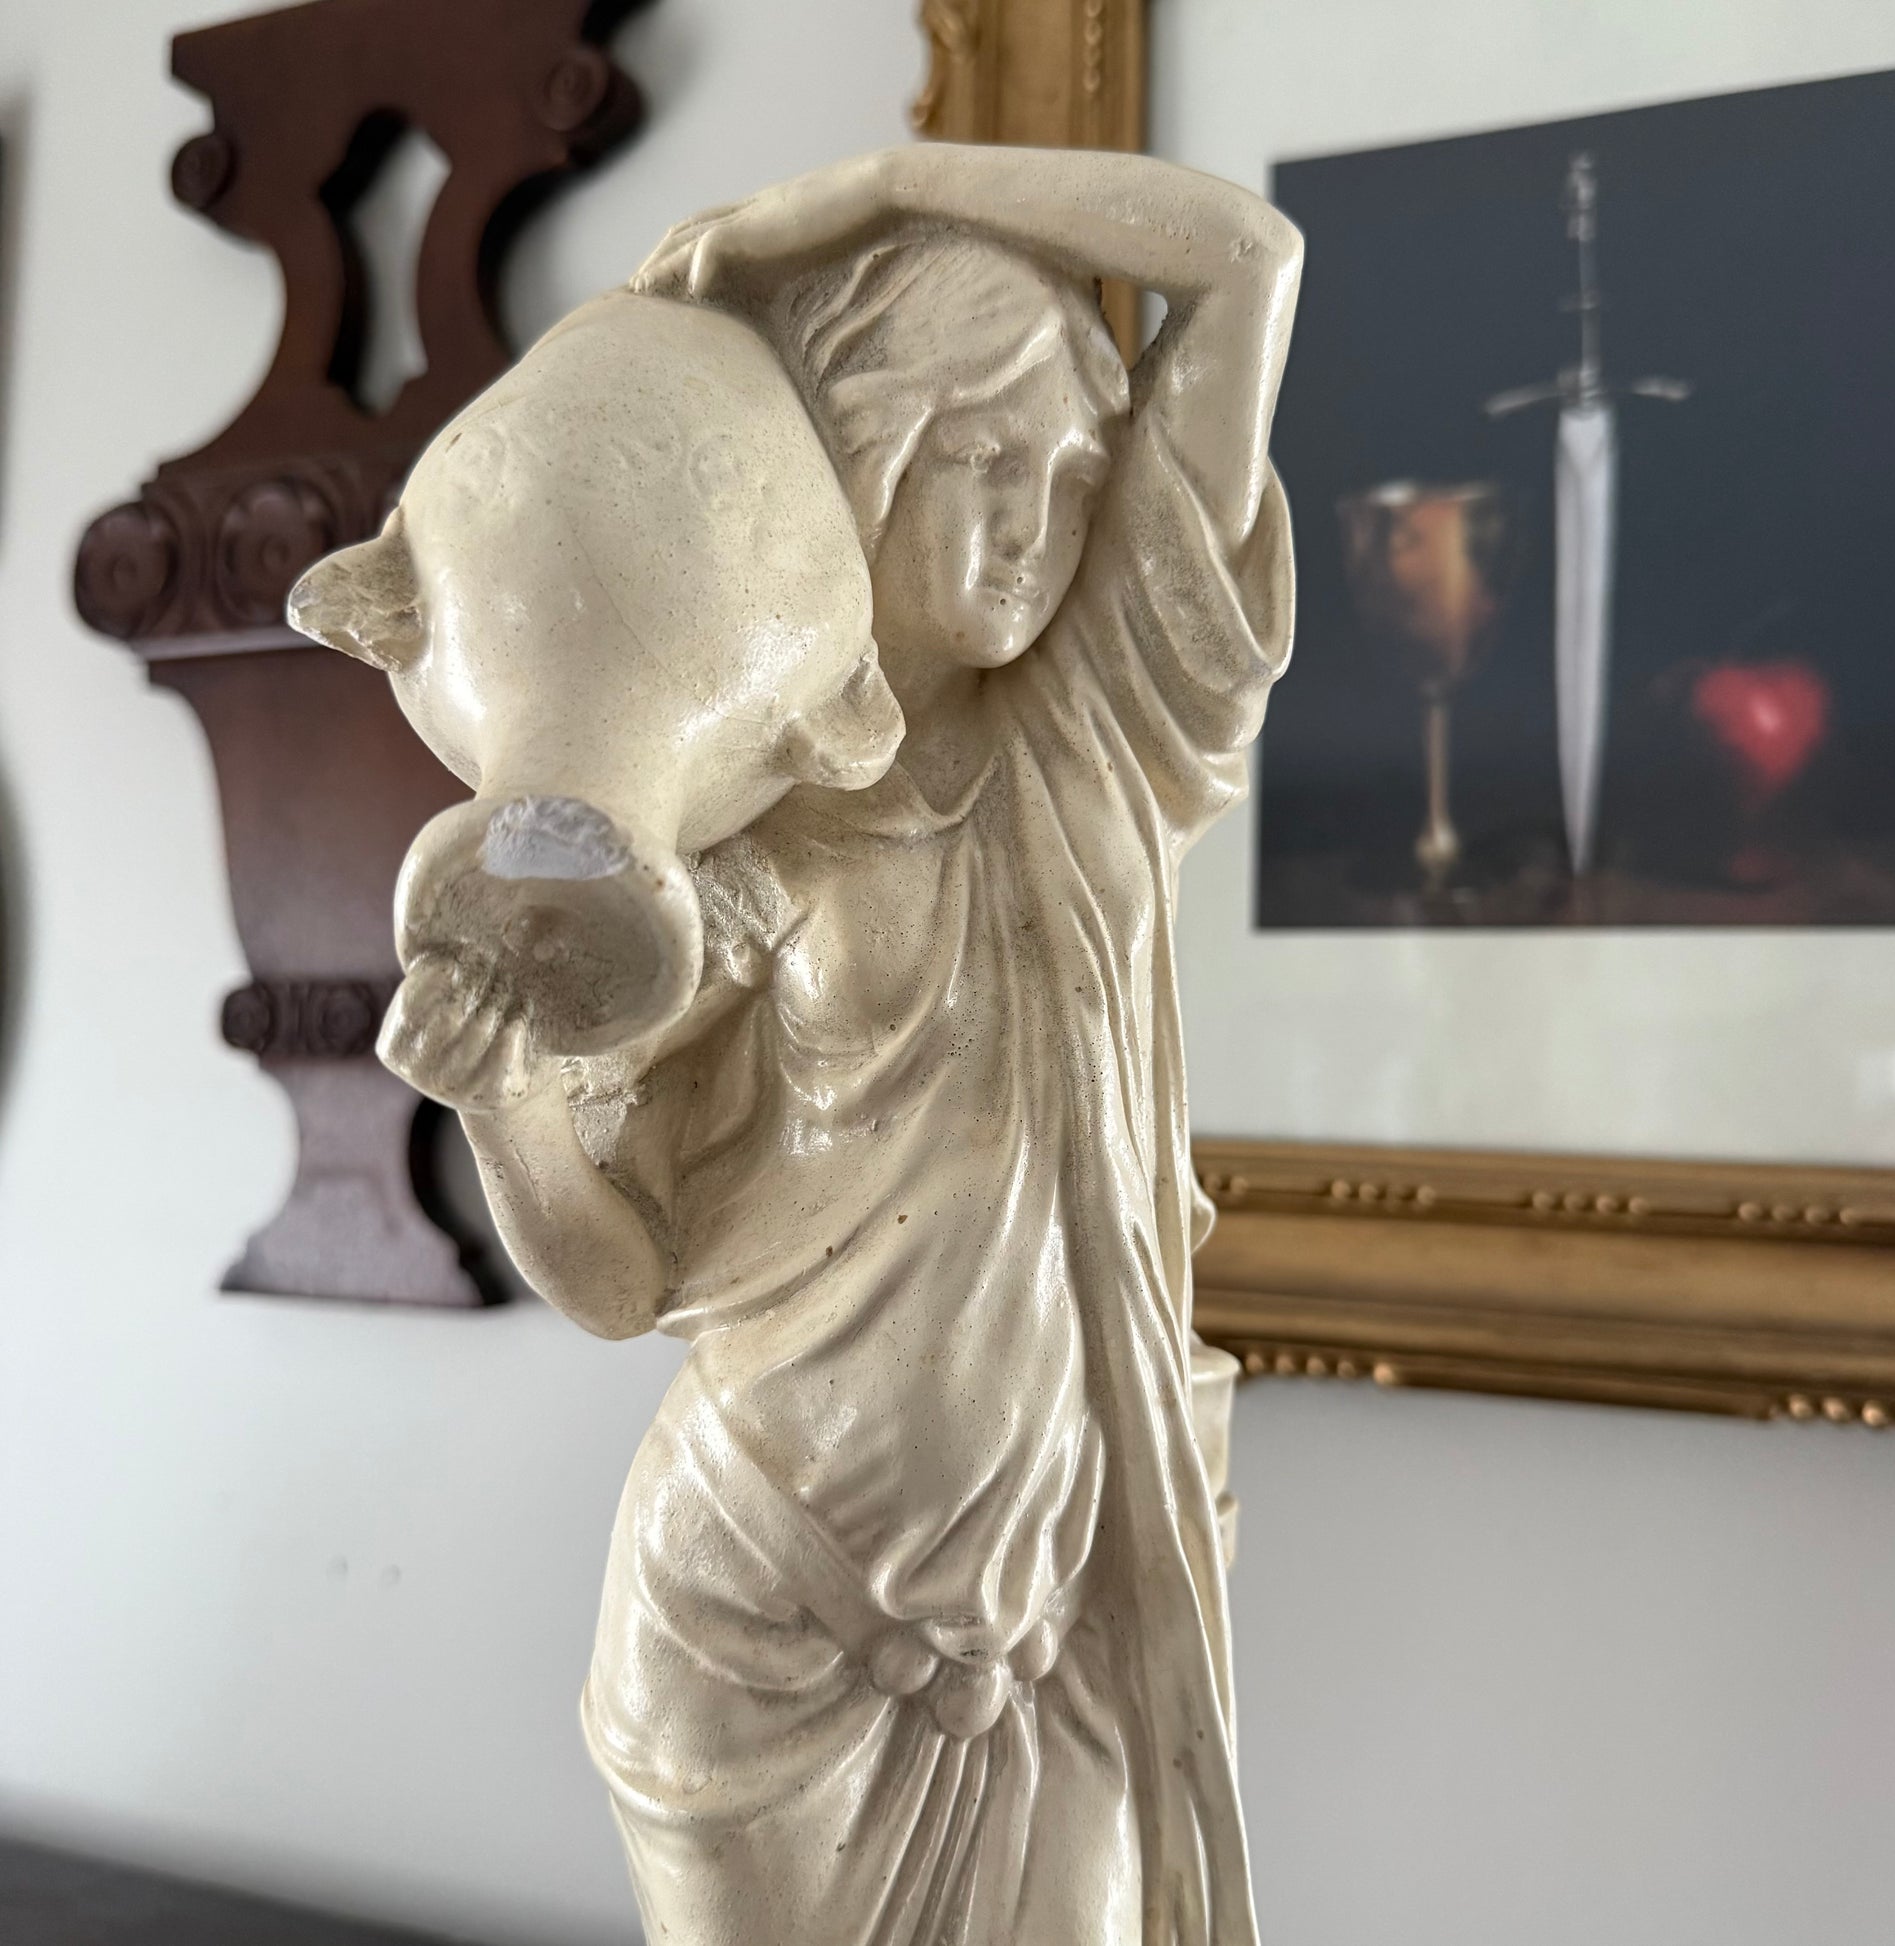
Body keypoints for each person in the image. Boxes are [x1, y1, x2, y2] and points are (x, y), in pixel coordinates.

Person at [419, 146, 1301, 1946]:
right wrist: (503, 1105)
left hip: (1052, 1623)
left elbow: (1244, 260)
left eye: (1073, 474)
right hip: (758, 1624)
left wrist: (873, 191)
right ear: (863, 465)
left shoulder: (1106, 741)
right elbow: (615, 1280)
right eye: (982, 459)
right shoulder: (723, 840)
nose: (1038, 523)